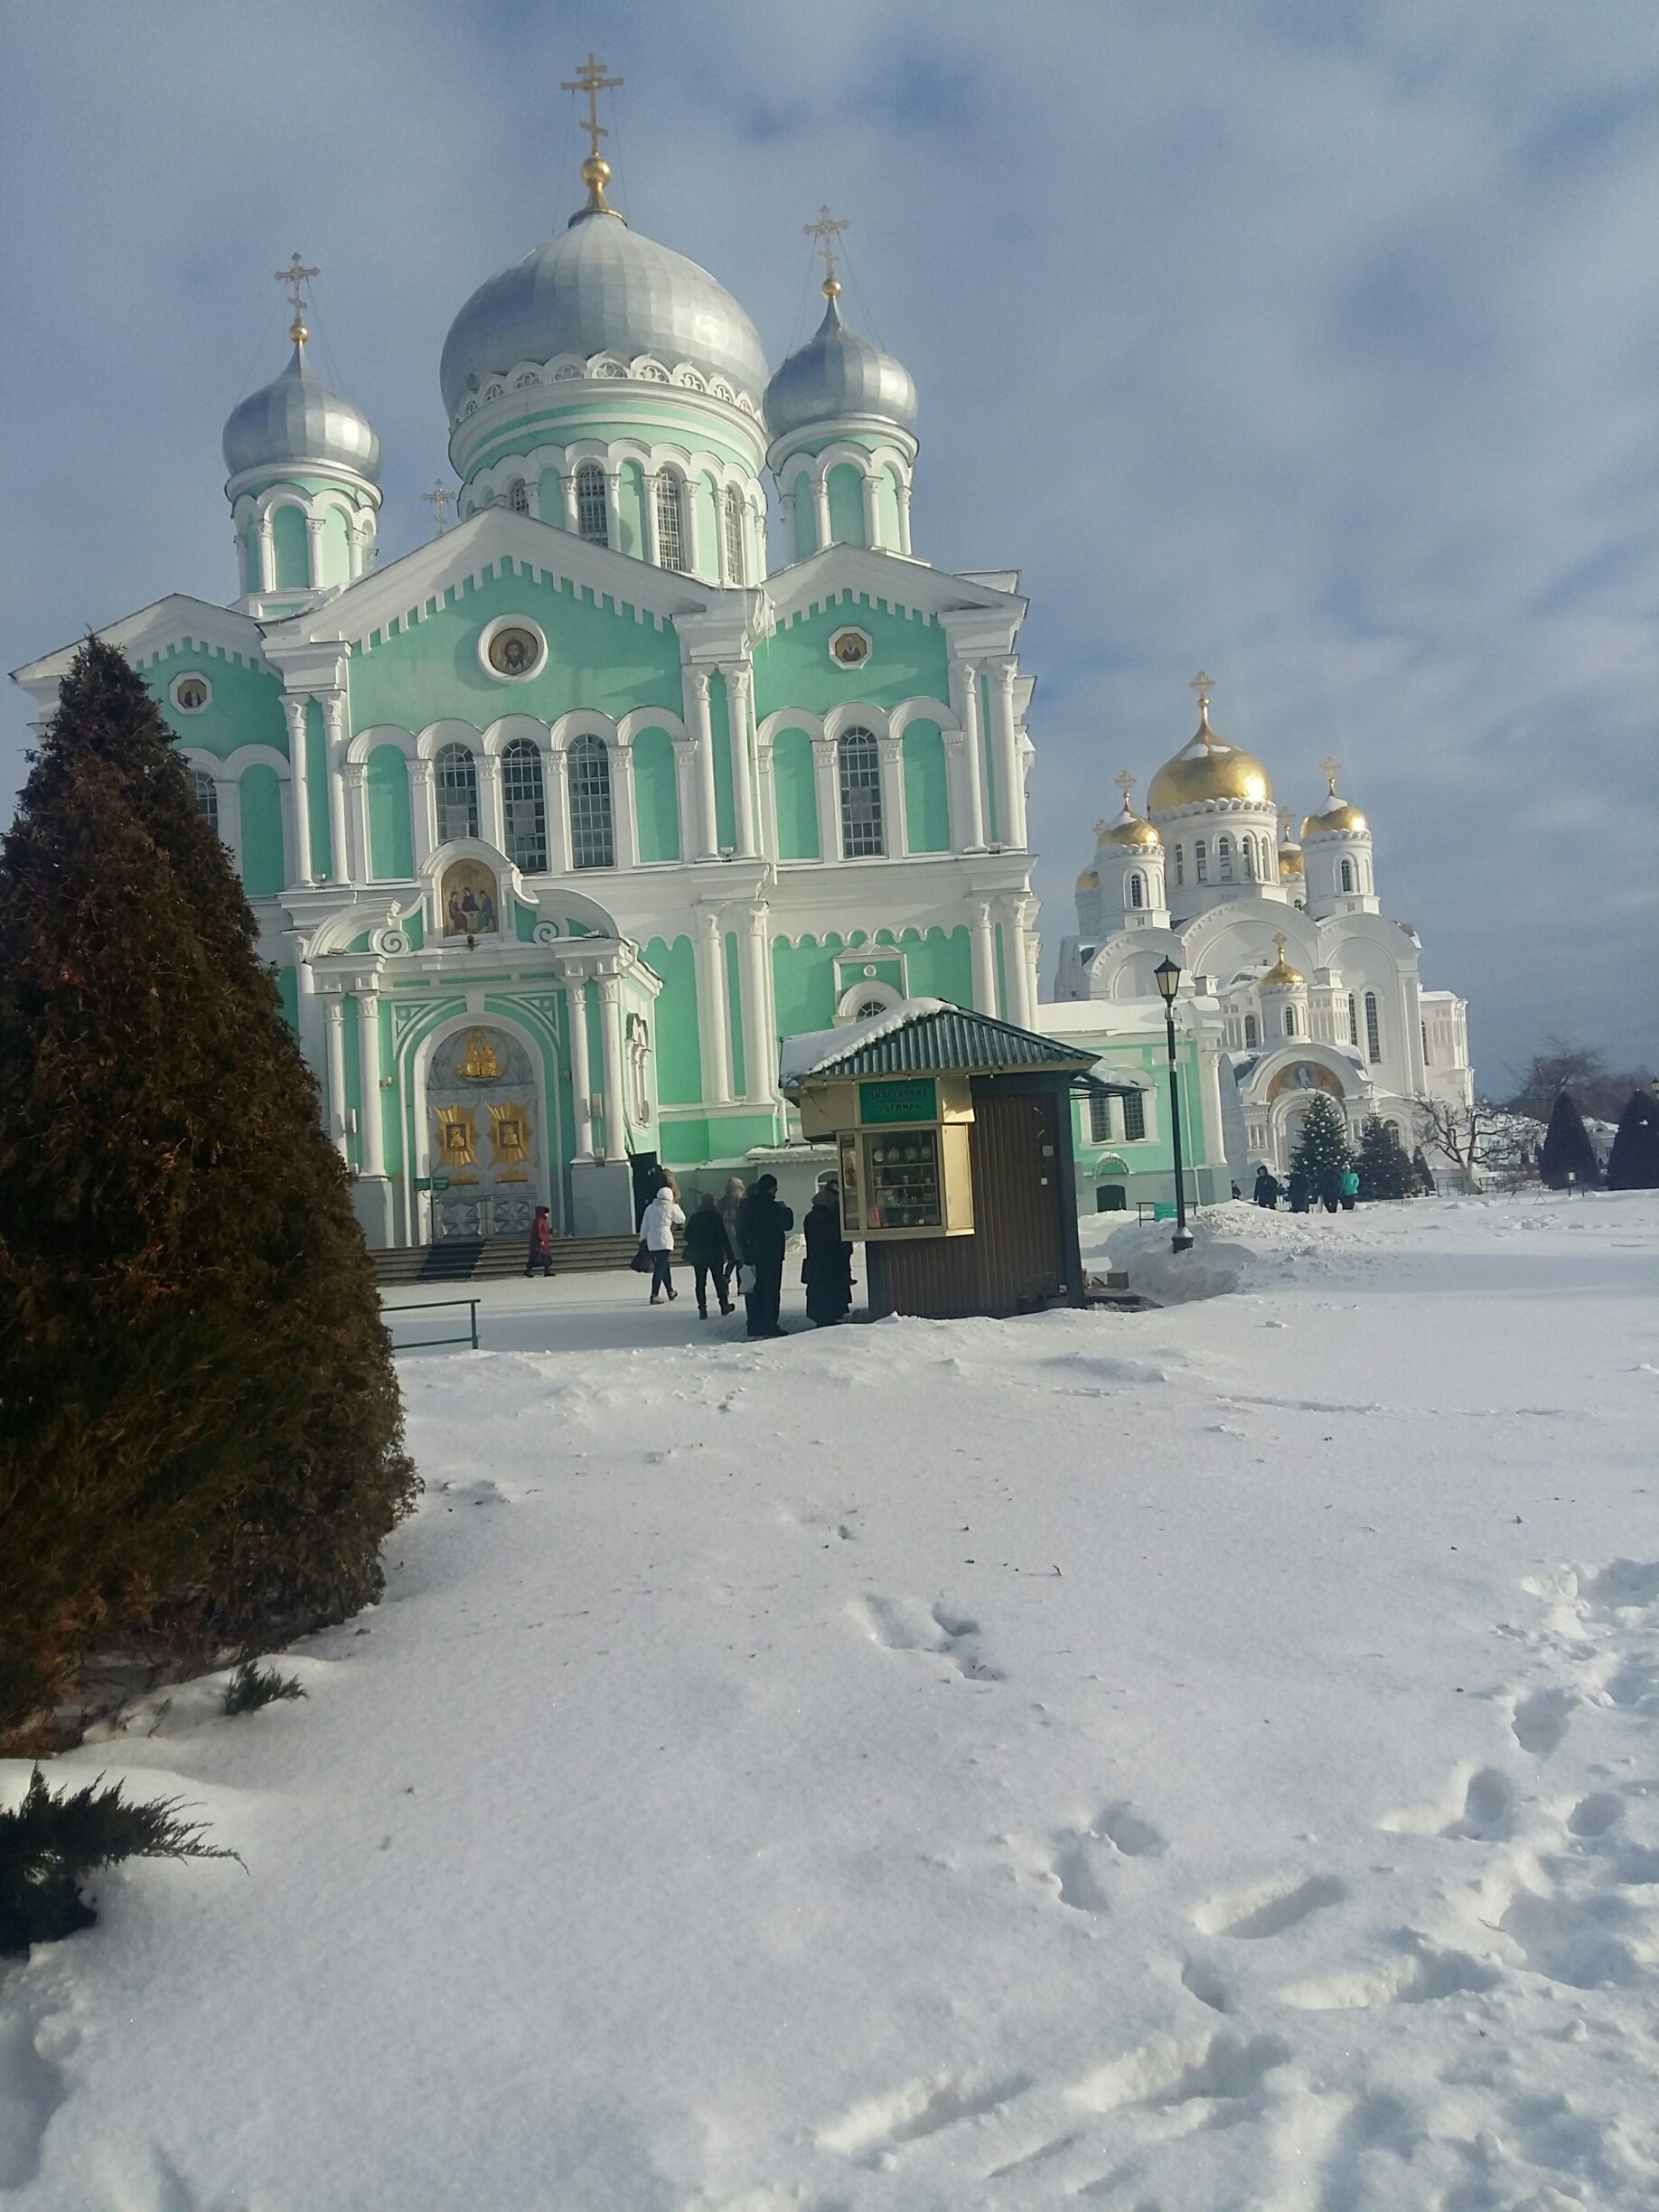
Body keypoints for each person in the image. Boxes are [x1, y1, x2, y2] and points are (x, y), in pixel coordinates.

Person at [736, 1173, 793, 1338]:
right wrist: (786, 1209)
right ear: (772, 1188)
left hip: (752, 1253)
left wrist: (745, 1252)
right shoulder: (773, 1207)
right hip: (772, 1254)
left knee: (754, 1290)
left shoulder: (747, 1206)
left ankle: (754, 1325)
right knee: (771, 1290)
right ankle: (770, 1324)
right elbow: (787, 1224)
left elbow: (741, 1230)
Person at [802, 1180, 854, 1326]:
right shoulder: (829, 1217)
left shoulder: (811, 1217)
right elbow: (835, 1238)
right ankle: (831, 1315)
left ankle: (822, 1315)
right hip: (830, 1260)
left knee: (819, 1290)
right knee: (830, 1289)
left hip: (816, 1261)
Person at [682, 1192, 735, 1319]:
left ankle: (702, 1309)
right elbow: (723, 1237)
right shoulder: (716, 1217)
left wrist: (695, 1242)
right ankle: (724, 1305)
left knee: (700, 1282)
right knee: (719, 1281)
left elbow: (686, 1235)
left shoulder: (695, 1217)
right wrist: (730, 1254)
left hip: (698, 1254)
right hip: (715, 1253)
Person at [641, 1176, 684, 1305]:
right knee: (661, 1267)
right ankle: (654, 1294)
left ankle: (670, 1290)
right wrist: (675, 1205)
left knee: (664, 1265)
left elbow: (644, 1225)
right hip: (665, 1240)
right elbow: (681, 1219)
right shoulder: (670, 1207)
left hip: (652, 1240)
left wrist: (642, 1239)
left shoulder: (650, 1208)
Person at [717, 1175, 746, 1273]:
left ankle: (726, 1278)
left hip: (725, 1230)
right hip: (737, 1230)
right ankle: (739, 1280)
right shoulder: (740, 1201)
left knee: (731, 1257)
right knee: (738, 1257)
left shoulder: (722, 1201)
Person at [525, 1204, 554, 1278]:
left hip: (544, 1242)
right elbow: (538, 1230)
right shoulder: (539, 1220)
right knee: (536, 1257)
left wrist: (551, 1231)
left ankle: (547, 1270)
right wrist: (540, 1240)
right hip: (539, 1243)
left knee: (546, 1257)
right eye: (547, 1213)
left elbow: (544, 1231)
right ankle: (528, 1270)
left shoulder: (543, 1220)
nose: (548, 1215)